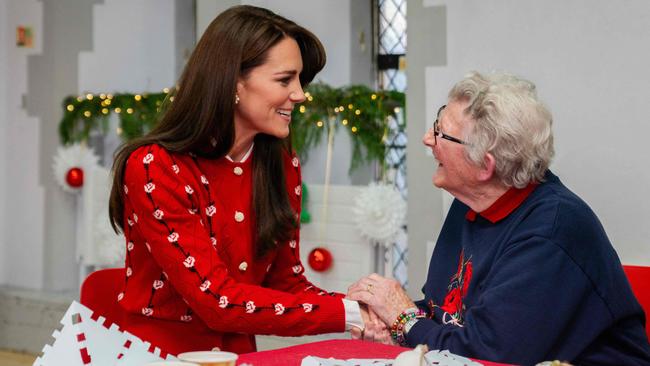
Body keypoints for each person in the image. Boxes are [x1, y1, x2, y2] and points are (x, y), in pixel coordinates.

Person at [107, 5, 368, 355]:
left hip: (240, 355)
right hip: (158, 357)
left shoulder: (281, 163)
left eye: (300, 80)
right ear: (233, 82)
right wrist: (349, 313)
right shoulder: (155, 166)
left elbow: (286, 283)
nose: (300, 94)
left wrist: (363, 307)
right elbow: (217, 302)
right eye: (284, 79)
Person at [348, 71, 650, 365]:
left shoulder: (551, 231)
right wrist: (387, 319)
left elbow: (488, 353)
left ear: (484, 166)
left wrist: (405, 320)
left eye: (440, 132)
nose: (428, 139)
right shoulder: (470, 201)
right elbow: (445, 311)